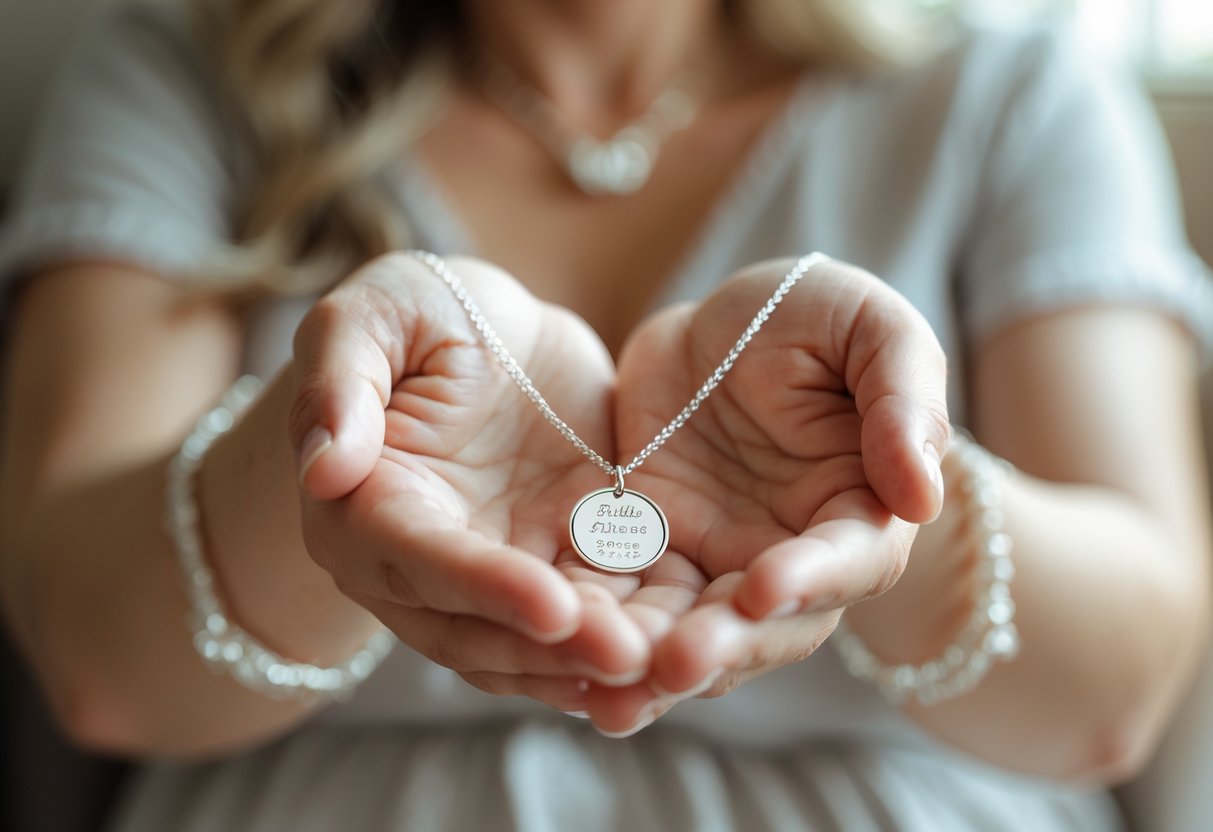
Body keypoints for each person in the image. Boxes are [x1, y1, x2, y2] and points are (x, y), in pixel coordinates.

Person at [0, 0, 1210, 829]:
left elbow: (1122, 695)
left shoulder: (1011, 96)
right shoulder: (191, 79)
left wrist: (891, 484)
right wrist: (334, 447)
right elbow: (93, 663)